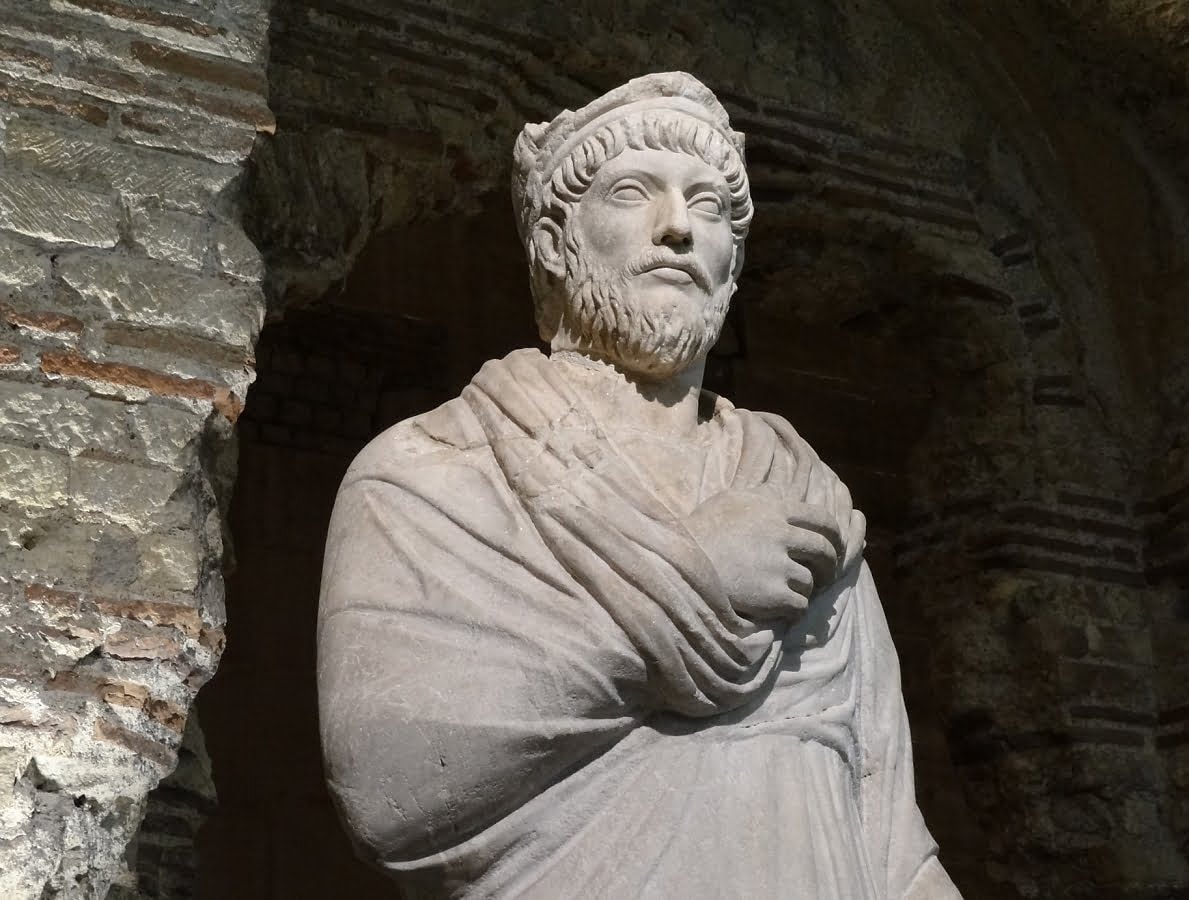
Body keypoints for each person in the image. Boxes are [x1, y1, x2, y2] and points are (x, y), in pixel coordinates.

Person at [317, 71, 961, 899]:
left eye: (709, 206)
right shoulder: (431, 473)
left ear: (733, 265)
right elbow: (389, 789)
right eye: (633, 192)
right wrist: (695, 582)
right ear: (555, 243)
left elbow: (895, 846)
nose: (677, 227)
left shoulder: (805, 501)